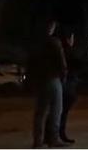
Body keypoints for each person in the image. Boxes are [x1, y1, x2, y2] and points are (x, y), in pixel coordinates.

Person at [29, 19, 67, 148]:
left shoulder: (35, 44)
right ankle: (53, 139)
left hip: (40, 80)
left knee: (40, 112)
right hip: (53, 78)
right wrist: (64, 75)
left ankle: (37, 141)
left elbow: (31, 63)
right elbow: (61, 62)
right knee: (56, 110)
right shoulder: (54, 42)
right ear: (51, 27)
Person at [57, 30, 88, 145]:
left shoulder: (63, 51)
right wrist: (86, 56)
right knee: (62, 111)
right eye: (72, 38)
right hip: (68, 84)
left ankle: (57, 134)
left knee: (59, 111)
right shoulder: (67, 51)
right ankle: (59, 134)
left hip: (66, 83)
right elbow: (77, 64)